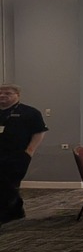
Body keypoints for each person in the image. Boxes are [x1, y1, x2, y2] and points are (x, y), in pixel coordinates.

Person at [0, 84, 48, 225]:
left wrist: (29, 151)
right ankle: (16, 210)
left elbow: (39, 132)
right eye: (0, 93)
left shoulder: (30, 112)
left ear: (17, 95)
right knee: (4, 185)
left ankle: (6, 213)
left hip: (17, 155)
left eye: (7, 93)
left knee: (9, 183)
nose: (2, 96)